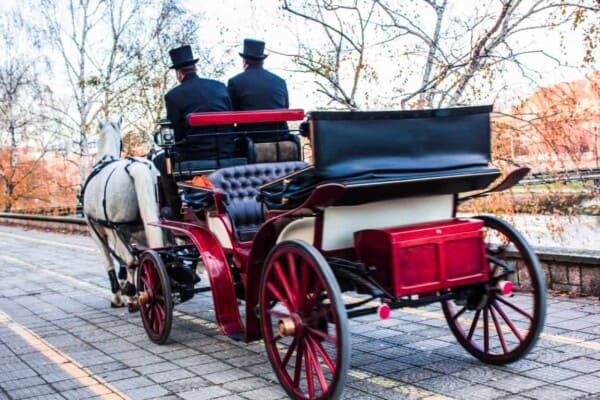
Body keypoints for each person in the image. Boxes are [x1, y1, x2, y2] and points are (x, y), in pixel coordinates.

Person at [155, 44, 234, 219]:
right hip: (228, 152)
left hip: (195, 156)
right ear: (194, 67)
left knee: (160, 160)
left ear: (179, 73)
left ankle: (175, 210)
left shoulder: (174, 96)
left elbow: (177, 135)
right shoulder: (220, 86)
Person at [227, 39, 290, 141]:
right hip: (279, 136)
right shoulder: (280, 81)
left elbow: (230, 112)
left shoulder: (235, 82)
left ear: (245, 61)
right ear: (262, 60)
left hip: (249, 139)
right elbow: (286, 107)